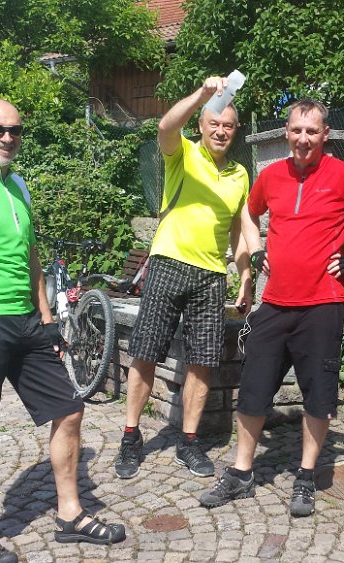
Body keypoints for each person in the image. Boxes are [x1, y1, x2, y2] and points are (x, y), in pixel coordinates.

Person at [0, 98, 126, 563]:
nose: (7, 138)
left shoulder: (18, 185)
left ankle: (70, 514)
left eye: (14, 130)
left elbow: (31, 257)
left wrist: (49, 320)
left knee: (69, 409)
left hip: (28, 322)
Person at [199, 98, 344, 517]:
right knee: (253, 389)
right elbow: (247, 214)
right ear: (286, 133)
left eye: (312, 131)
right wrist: (256, 251)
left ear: (324, 134)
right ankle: (240, 473)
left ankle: (306, 476)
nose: (303, 138)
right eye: (296, 130)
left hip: (323, 305)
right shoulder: (271, 175)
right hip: (274, 304)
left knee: (318, 396)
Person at [114, 77, 252, 481]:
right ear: (202, 126)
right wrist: (203, 96)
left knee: (203, 361)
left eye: (228, 125)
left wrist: (245, 274)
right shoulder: (183, 152)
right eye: (214, 123)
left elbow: (239, 232)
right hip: (168, 263)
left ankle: (189, 441)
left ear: (236, 130)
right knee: (145, 352)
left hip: (211, 276)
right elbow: (164, 126)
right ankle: (131, 435)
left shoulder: (240, 175)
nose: (221, 131)